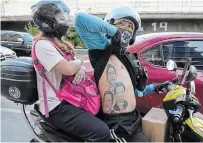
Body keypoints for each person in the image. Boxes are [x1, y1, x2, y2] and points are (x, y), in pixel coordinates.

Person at [74, 6, 166, 142]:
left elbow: (137, 93)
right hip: (117, 125)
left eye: (130, 26)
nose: (125, 29)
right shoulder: (102, 48)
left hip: (133, 120)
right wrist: (114, 32)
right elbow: (80, 19)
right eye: (121, 24)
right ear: (110, 25)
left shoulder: (127, 57)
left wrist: (155, 87)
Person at [31, 0, 110, 142]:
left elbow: (77, 68)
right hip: (56, 106)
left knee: (106, 115)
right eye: (61, 19)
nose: (65, 23)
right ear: (47, 20)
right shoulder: (42, 45)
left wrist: (79, 67)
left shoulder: (58, 44)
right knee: (101, 132)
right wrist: (78, 64)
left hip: (70, 98)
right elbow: (69, 68)